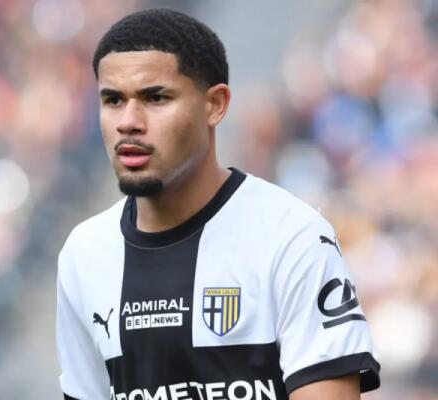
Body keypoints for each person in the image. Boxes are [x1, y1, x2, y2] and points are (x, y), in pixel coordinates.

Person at [56, 8, 380, 400]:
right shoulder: (84, 253)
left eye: (156, 98)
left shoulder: (291, 236)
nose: (128, 121)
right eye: (112, 100)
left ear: (215, 104)